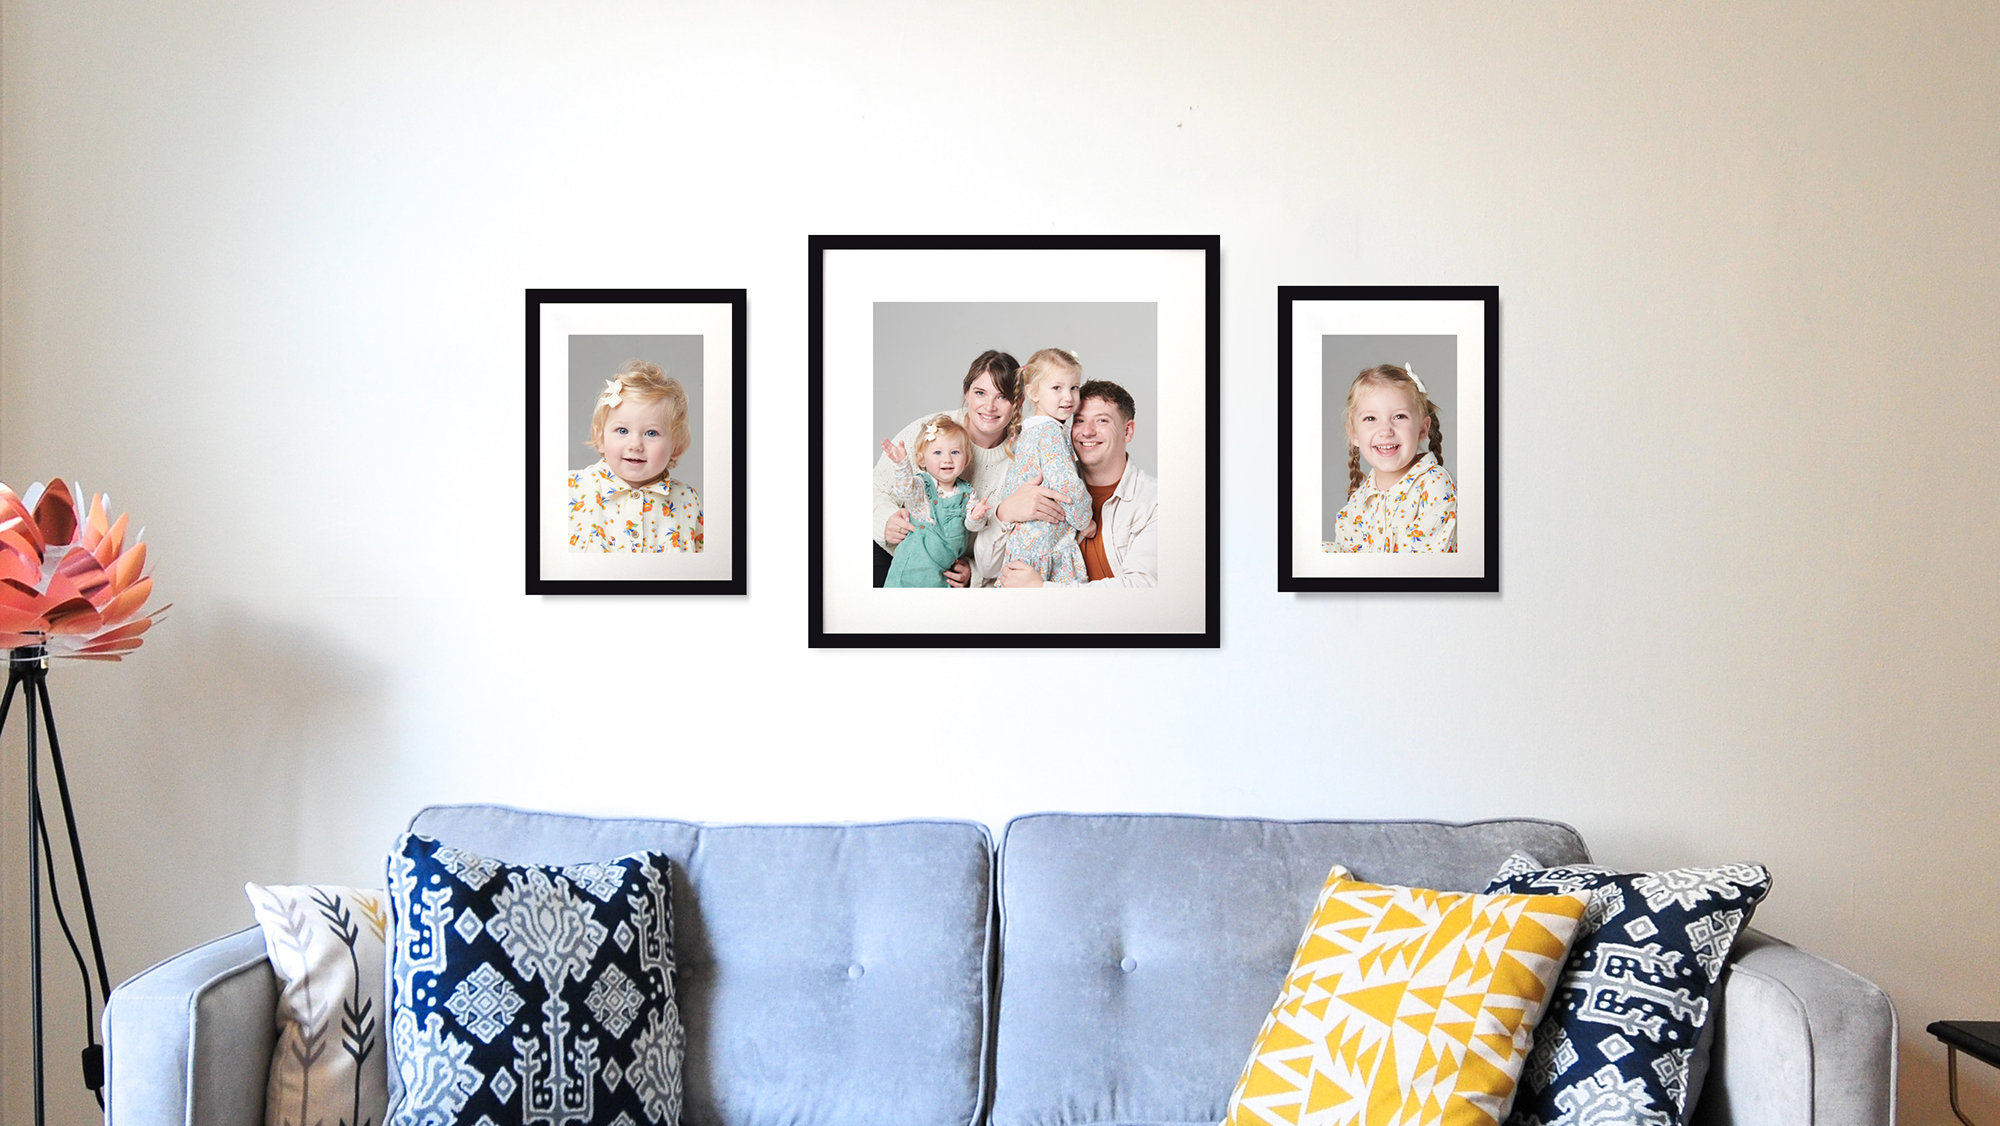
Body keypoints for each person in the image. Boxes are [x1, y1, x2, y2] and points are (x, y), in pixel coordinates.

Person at [872, 350, 1019, 587]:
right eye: (980, 393)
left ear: (1018, 402)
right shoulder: (931, 430)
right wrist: (885, 520)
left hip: (945, 573)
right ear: (967, 394)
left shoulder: (1023, 458)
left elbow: (1018, 543)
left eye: (1003, 397)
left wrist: (974, 573)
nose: (990, 406)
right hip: (890, 556)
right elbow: (875, 488)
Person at [996, 379, 1157, 587]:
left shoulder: (1154, 501)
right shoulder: (1046, 482)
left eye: (1102, 421)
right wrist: (1003, 513)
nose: (1087, 431)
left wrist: (1042, 590)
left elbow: (1141, 588)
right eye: (1079, 420)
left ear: (1127, 431)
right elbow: (988, 568)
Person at [567, 360, 702, 552]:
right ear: (600, 438)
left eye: (651, 433)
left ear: (676, 447)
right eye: (622, 430)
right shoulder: (572, 488)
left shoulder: (687, 500)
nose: (635, 445)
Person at [1323, 363, 1455, 552]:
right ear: (1354, 434)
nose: (1385, 431)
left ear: (1423, 428)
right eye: (1370, 419)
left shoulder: (1435, 484)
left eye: (1399, 416)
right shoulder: (1358, 502)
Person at [991, 349, 1092, 586]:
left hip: (1024, 546)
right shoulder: (1050, 433)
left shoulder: (1028, 432)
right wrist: (1085, 520)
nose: (1068, 397)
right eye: (1057, 388)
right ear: (1033, 393)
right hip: (1046, 546)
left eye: (1074, 388)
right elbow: (1066, 484)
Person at [878, 416, 993, 588]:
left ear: (966, 459)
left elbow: (972, 526)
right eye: (938, 453)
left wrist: (977, 517)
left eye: (955, 452)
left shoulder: (967, 492)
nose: (947, 459)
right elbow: (904, 490)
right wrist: (901, 464)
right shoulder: (921, 486)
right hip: (911, 569)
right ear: (922, 460)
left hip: (942, 574)